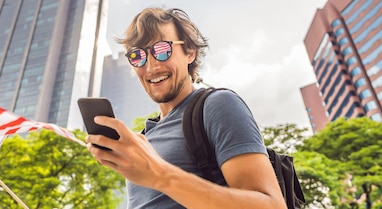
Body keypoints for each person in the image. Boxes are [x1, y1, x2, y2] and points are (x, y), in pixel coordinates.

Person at [85, 7, 287, 209]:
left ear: (190, 52)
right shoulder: (144, 137)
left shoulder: (217, 105)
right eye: (138, 56)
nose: (151, 66)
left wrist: (159, 175)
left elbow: (272, 206)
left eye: (162, 50)